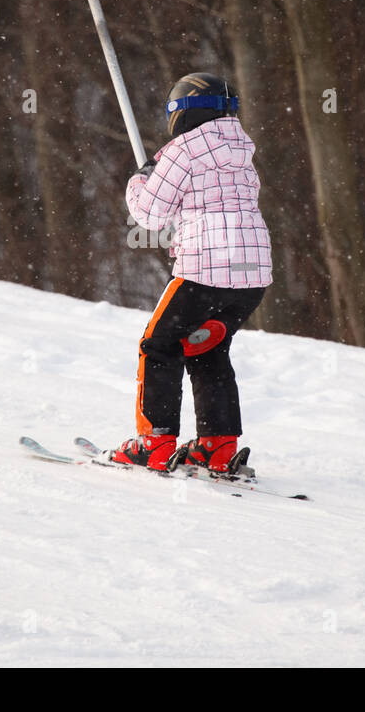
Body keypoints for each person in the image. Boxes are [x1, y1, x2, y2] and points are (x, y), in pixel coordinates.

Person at [111, 72, 273, 473]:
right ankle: (217, 446)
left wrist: (139, 178)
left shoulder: (182, 150)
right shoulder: (242, 150)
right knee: (207, 347)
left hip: (204, 268)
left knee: (159, 344)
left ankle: (155, 442)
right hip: (252, 273)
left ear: (181, 113)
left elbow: (149, 213)